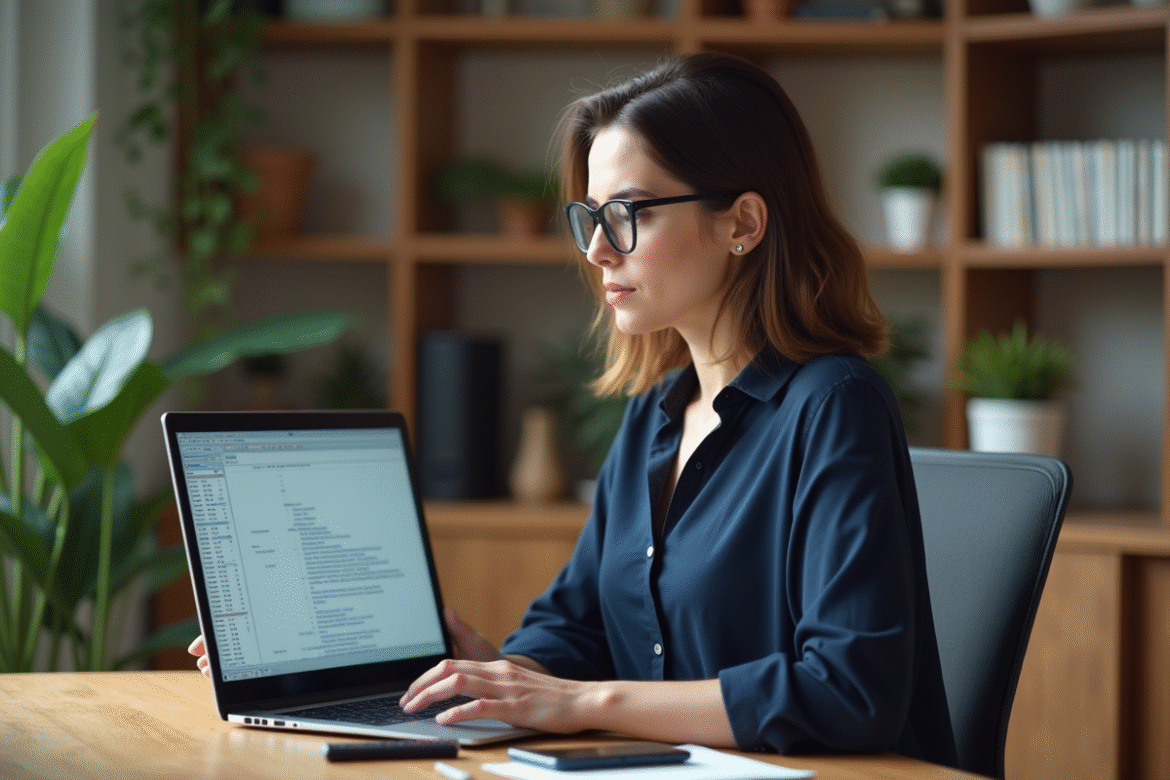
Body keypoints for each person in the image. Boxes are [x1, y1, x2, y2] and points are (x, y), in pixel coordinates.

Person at [191, 51, 957, 766]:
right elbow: (578, 623)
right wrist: (495, 667)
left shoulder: (834, 406)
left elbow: (849, 692)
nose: (597, 251)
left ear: (743, 224)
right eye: (591, 217)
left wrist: (583, 701)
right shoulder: (657, 415)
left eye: (630, 214)